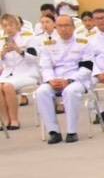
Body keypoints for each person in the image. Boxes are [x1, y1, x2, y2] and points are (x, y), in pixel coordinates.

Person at [37, 13, 92, 143]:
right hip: (55, 80)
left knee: (70, 91)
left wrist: (69, 80)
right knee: (41, 92)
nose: (63, 29)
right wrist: (51, 80)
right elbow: (45, 66)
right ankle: (53, 131)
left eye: (67, 25)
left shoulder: (84, 42)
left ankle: (72, 131)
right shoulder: (48, 44)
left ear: (73, 27)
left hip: (77, 79)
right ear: (55, 27)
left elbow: (87, 67)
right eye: (60, 26)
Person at [0, 13, 41, 131]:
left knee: (7, 86)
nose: (8, 28)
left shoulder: (29, 38)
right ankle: (4, 120)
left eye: (11, 25)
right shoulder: (2, 41)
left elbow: (35, 59)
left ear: (17, 25)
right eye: (5, 26)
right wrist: (2, 55)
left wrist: (18, 50)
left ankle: (14, 120)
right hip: (8, 74)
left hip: (27, 73)